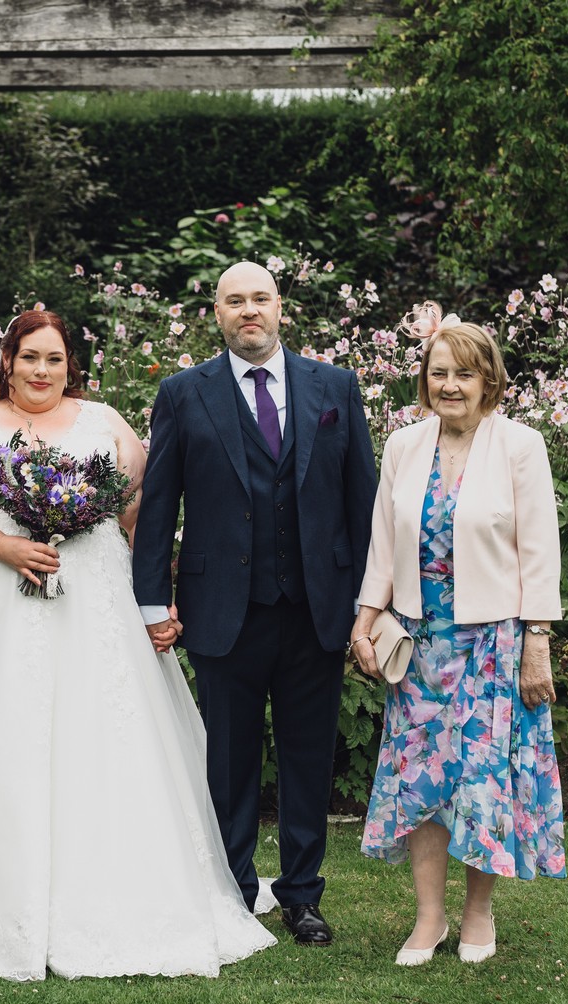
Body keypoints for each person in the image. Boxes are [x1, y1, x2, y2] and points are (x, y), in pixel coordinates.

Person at [0, 309, 275, 981]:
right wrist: (8, 545)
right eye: (28, 357)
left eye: (53, 358)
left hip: (93, 600)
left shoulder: (103, 421)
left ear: (71, 363)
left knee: (103, 737)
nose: (41, 369)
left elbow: (142, 508)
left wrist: (156, 601)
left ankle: (113, 896)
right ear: (6, 362)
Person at [131, 262, 378, 946]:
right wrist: (153, 600)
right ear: (215, 312)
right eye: (235, 300)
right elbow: (158, 507)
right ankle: (232, 889)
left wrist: (371, 602)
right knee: (229, 759)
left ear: (280, 309)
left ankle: (302, 895)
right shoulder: (184, 393)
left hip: (316, 606)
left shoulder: (335, 388)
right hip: (220, 606)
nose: (249, 311)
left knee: (307, 758)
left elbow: (365, 502)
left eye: (260, 299)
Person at [351, 304, 566, 967]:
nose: (450, 385)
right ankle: (428, 918)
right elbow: (384, 545)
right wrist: (365, 617)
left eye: (464, 375)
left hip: (492, 643)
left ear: (488, 382)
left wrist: (537, 640)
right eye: (439, 372)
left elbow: (539, 549)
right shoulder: (404, 446)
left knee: (481, 782)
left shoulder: (521, 446)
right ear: (425, 380)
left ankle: (478, 911)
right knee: (420, 780)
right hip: (419, 642)